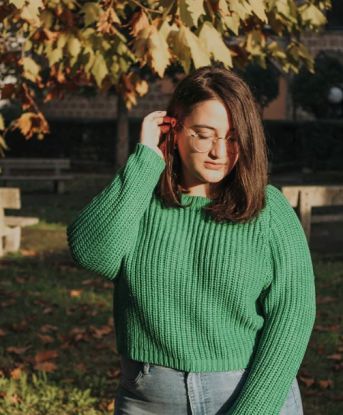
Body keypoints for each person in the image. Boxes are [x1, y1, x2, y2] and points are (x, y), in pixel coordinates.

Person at [66, 65, 316, 415]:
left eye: (231, 137)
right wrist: (147, 159)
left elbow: (293, 316)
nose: (219, 151)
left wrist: (252, 410)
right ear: (175, 128)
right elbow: (91, 252)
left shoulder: (268, 209)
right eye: (204, 133)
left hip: (248, 391)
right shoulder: (139, 201)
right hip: (151, 399)